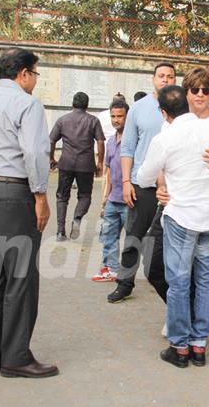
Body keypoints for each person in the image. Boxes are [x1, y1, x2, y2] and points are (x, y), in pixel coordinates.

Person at [137, 85, 209, 368]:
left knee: (178, 282)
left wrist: (161, 185)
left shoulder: (166, 137)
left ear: (164, 113)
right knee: (205, 280)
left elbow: (143, 178)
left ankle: (179, 347)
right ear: (188, 102)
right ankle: (199, 346)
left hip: (181, 218)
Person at [0, 48, 57, 379]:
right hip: (11, 193)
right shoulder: (26, 103)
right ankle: (16, 355)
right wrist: (40, 195)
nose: (35, 80)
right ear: (22, 74)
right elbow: (34, 151)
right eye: (35, 74)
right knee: (19, 276)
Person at [107, 63, 176, 304]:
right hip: (142, 184)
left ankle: (171, 285)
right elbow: (127, 148)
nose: (165, 80)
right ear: (153, 79)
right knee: (134, 236)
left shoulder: (183, 108)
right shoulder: (139, 108)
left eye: (170, 76)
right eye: (161, 76)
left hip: (174, 186)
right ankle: (124, 282)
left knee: (170, 239)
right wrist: (126, 181)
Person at [49, 92, 105, 241]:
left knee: (62, 197)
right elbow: (100, 141)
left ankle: (60, 232)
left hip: (66, 163)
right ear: (87, 106)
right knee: (85, 195)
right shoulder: (93, 121)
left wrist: (51, 158)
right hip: (86, 165)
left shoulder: (62, 120)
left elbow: (51, 140)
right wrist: (100, 162)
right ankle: (77, 218)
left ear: (72, 104)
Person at [93, 99, 130, 282]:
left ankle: (130, 274)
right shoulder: (110, 142)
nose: (116, 120)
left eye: (120, 116)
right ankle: (112, 270)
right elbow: (108, 172)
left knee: (133, 239)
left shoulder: (134, 141)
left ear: (127, 117)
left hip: (130, 200)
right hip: (113, 199)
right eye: (113, 116)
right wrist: (105, 198)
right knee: (108, 236)